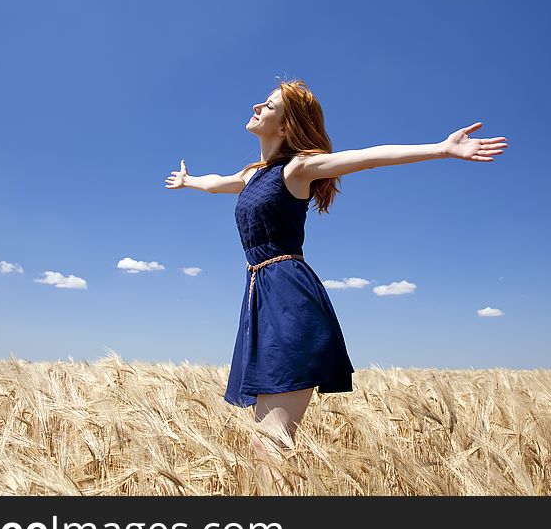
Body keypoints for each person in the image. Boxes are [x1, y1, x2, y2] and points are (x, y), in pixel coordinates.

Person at [164, 78, 508, 491]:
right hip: (260, 296)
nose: (257, 104)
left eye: (269, 104)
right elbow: (219, 182)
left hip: (289, 295)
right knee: (263, 443)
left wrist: (441, 148)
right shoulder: (252, 174)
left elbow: (367, 158)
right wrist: (188, 181)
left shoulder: (298, 168)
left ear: (287, 127)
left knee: (271, 441)